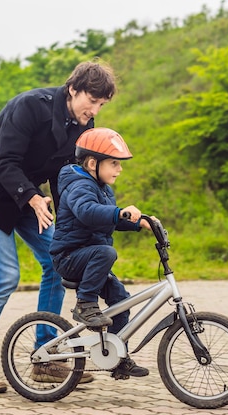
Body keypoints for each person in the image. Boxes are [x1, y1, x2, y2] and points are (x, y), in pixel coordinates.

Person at [0, 60, 117, 393]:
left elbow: (65, 178)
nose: (95, 109)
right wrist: (31, 198)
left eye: (101, 104)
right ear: (74, 89)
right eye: (93, 100)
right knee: (5, 279)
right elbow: (5, 161)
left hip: (32, 200)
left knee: (57, 263)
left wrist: (73, 225)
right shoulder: (30, 106)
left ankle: (46, 359)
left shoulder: (82, 126)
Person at [49, 127, 154, 380]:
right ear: (93, 163)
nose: (119, 169)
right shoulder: (77, 184)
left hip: (90, 257)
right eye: (114, 163)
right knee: (107, 252)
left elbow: (107, 219)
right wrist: (119, 212)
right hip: (70, 257)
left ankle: (118, 358)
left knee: (121, 303)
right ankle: (85, 304)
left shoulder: (102, 187)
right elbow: (87, 211)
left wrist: (136, 223)